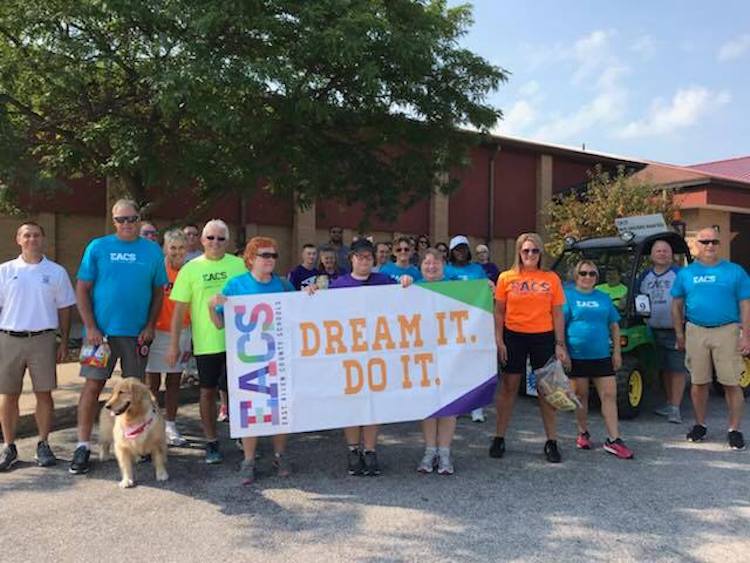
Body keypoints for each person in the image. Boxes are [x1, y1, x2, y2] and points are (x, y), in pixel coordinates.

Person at [70, 199, 167, 475]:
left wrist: (150, 326)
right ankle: (82, 445)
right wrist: (90, 327)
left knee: (137, 392)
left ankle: (141, 442)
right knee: (92, 387)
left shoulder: (151, 251)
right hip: (101, 336)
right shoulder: (98, 247)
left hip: (136, 336)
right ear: (113, 221)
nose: (127, 224)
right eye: (121, 219)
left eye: (132, 219)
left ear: (140, 219)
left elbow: (158, 293)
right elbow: (82, 288)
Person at [208, 237, 295, 485]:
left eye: (273, 256)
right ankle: (248, 460)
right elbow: (219, 323)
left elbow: (300, 313)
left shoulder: (283, 285)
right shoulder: (236, 285)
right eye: (265, 255)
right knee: (251, 408)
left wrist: (309, 295)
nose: (270, 260)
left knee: (279, 408)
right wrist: (211, 306)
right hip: (247, 360)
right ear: (250, 259)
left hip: (278, 357)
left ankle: (280, 455)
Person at [328, 239, 412, 476]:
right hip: (349, 353)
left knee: (374, 403)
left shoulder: (384, 281)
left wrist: (407, 282)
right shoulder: (338, 285)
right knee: (352, 403)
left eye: (368, 257)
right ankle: (353, 449)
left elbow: (405, 297)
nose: (364, 261)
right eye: (359, 256)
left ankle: (370, 450)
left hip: (377, 352)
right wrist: (310, 293)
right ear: (351, 259)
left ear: (373, 260)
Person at [168, 219, 246, 463]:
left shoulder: (241, 265)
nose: (215, 242)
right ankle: (211, 442)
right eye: (210, 237)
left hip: (240, 341)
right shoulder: (190, 269)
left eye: (220, 238)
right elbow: (179, 311)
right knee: (207, 392)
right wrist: (174, 345)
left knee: (242, 390)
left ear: (228, 241)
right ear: (201, 240)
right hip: (207, 343)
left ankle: (244, 436)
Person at [0, 222, 76, 471]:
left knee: (44, 393)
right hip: (9, 337)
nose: (31, 239)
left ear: (43, 239)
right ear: (18, 239)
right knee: (8, 395)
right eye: (26, 235)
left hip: (43, 339)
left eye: (36, 235)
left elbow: (65, 309)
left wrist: (64, 341)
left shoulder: (56, 272)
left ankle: (43, 444)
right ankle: (9, 446)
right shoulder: (5, 270)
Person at [672, 227, 750, 450]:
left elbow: (746, 304)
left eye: (714, 242)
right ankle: (700, 425)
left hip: (727, 330)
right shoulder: (685, 274)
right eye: (704, 242)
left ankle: (734, 429)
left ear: (719, 244)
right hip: (696, 330)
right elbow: (676, 305)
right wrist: (679, 333)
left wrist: (747, 336)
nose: (709, 246)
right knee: (698, 382)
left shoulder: (735, 271)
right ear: (696, 245)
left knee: (731, 382)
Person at [492, 232, 568, 463]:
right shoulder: (506, 277)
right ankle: (499, 437)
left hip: (543, 337)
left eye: (535, 250)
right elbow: (498, 312)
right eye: (526, 250)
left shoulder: (551, 278)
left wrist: (559, 344)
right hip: (513, 336)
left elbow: (557, 313)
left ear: (540, 253)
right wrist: (499, 340)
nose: (530, 255)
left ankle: (551, 441)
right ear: (519, 252)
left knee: (547, 390)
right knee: (508, 388)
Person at [564, 260, 634, 459]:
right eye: (583, 273)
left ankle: (614, 439)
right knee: (581, 396)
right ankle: (583, 432)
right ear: (576, 276)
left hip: (602, 355)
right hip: (576, 355)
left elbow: (614, 325)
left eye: (592, 274)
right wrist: (562, 350)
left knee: (609, 395)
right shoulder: (568, 297)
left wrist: (617, 352)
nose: (587, 277)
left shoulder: (603, 298)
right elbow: (560, 324)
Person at [145, 229, 191, 447]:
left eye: (181, 247)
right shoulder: (156, 268)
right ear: (165, 248)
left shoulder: (191, 271)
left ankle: (171, 424)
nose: (177, 252)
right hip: (157, 330)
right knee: (152, 381)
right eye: (173, 247)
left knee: (174, 380)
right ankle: (152, 423)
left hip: (182, 331)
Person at [416, 248, 457, 475]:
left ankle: (445, 453)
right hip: (423, 355)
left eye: (436, 263)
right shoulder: (413, 288)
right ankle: (430, 451)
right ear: (421, 266)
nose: (431, 267)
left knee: (449, 404)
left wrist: (488, 288)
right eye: (427, 263)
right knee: (429, 404)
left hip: (450, 353)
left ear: (443, 265)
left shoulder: (456, 288)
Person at [639, 240, 688, 424]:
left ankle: (675, 408)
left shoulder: (680, 274)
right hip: (652, 329)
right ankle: (669, 402)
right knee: (664, 368)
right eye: (658, 251)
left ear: (671, 254)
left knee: (677, 368)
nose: (662, 254)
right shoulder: (644, 276)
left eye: (665, 251)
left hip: (675, 329)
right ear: (652, 255)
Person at [445, 235, 489, 422]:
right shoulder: (446, 270)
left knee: (474, 365)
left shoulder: (477, 269)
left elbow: (485, 292)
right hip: (451, 324)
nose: (460, 252)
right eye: (457, 249)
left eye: (463, 249)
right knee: (455, 365)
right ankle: (458, 404)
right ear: (451, 252)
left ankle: (476, 406)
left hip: (474, 323)